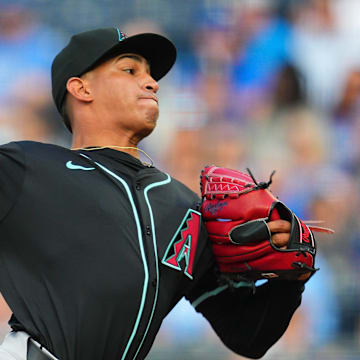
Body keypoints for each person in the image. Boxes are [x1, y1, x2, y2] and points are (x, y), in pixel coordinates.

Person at [0, 27, 308, 360]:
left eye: (150, 74)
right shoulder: (27, 168)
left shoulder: (184, 208)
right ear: (81, 87)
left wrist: (290, 280)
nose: (152, 83)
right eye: (130, 70)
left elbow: (248, 336)